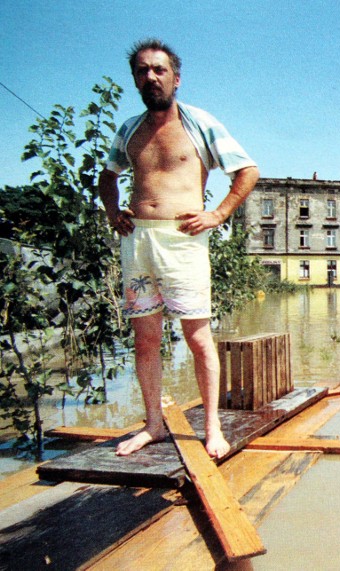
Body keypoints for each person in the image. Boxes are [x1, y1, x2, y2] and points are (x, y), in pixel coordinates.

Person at [98, 38, 259, 458]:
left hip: (183, 241)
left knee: (198, 337)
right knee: (145, 338)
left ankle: (212, 429)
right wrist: (113, 210)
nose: (150, 77)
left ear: (176, 77)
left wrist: (218, 214)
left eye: (159, 69)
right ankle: (152, 424)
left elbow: (247, 171)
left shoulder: (199, 122)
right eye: (142, 71)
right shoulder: (129, 129)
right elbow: (107, 176)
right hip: (137, 242)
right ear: (135, 79)